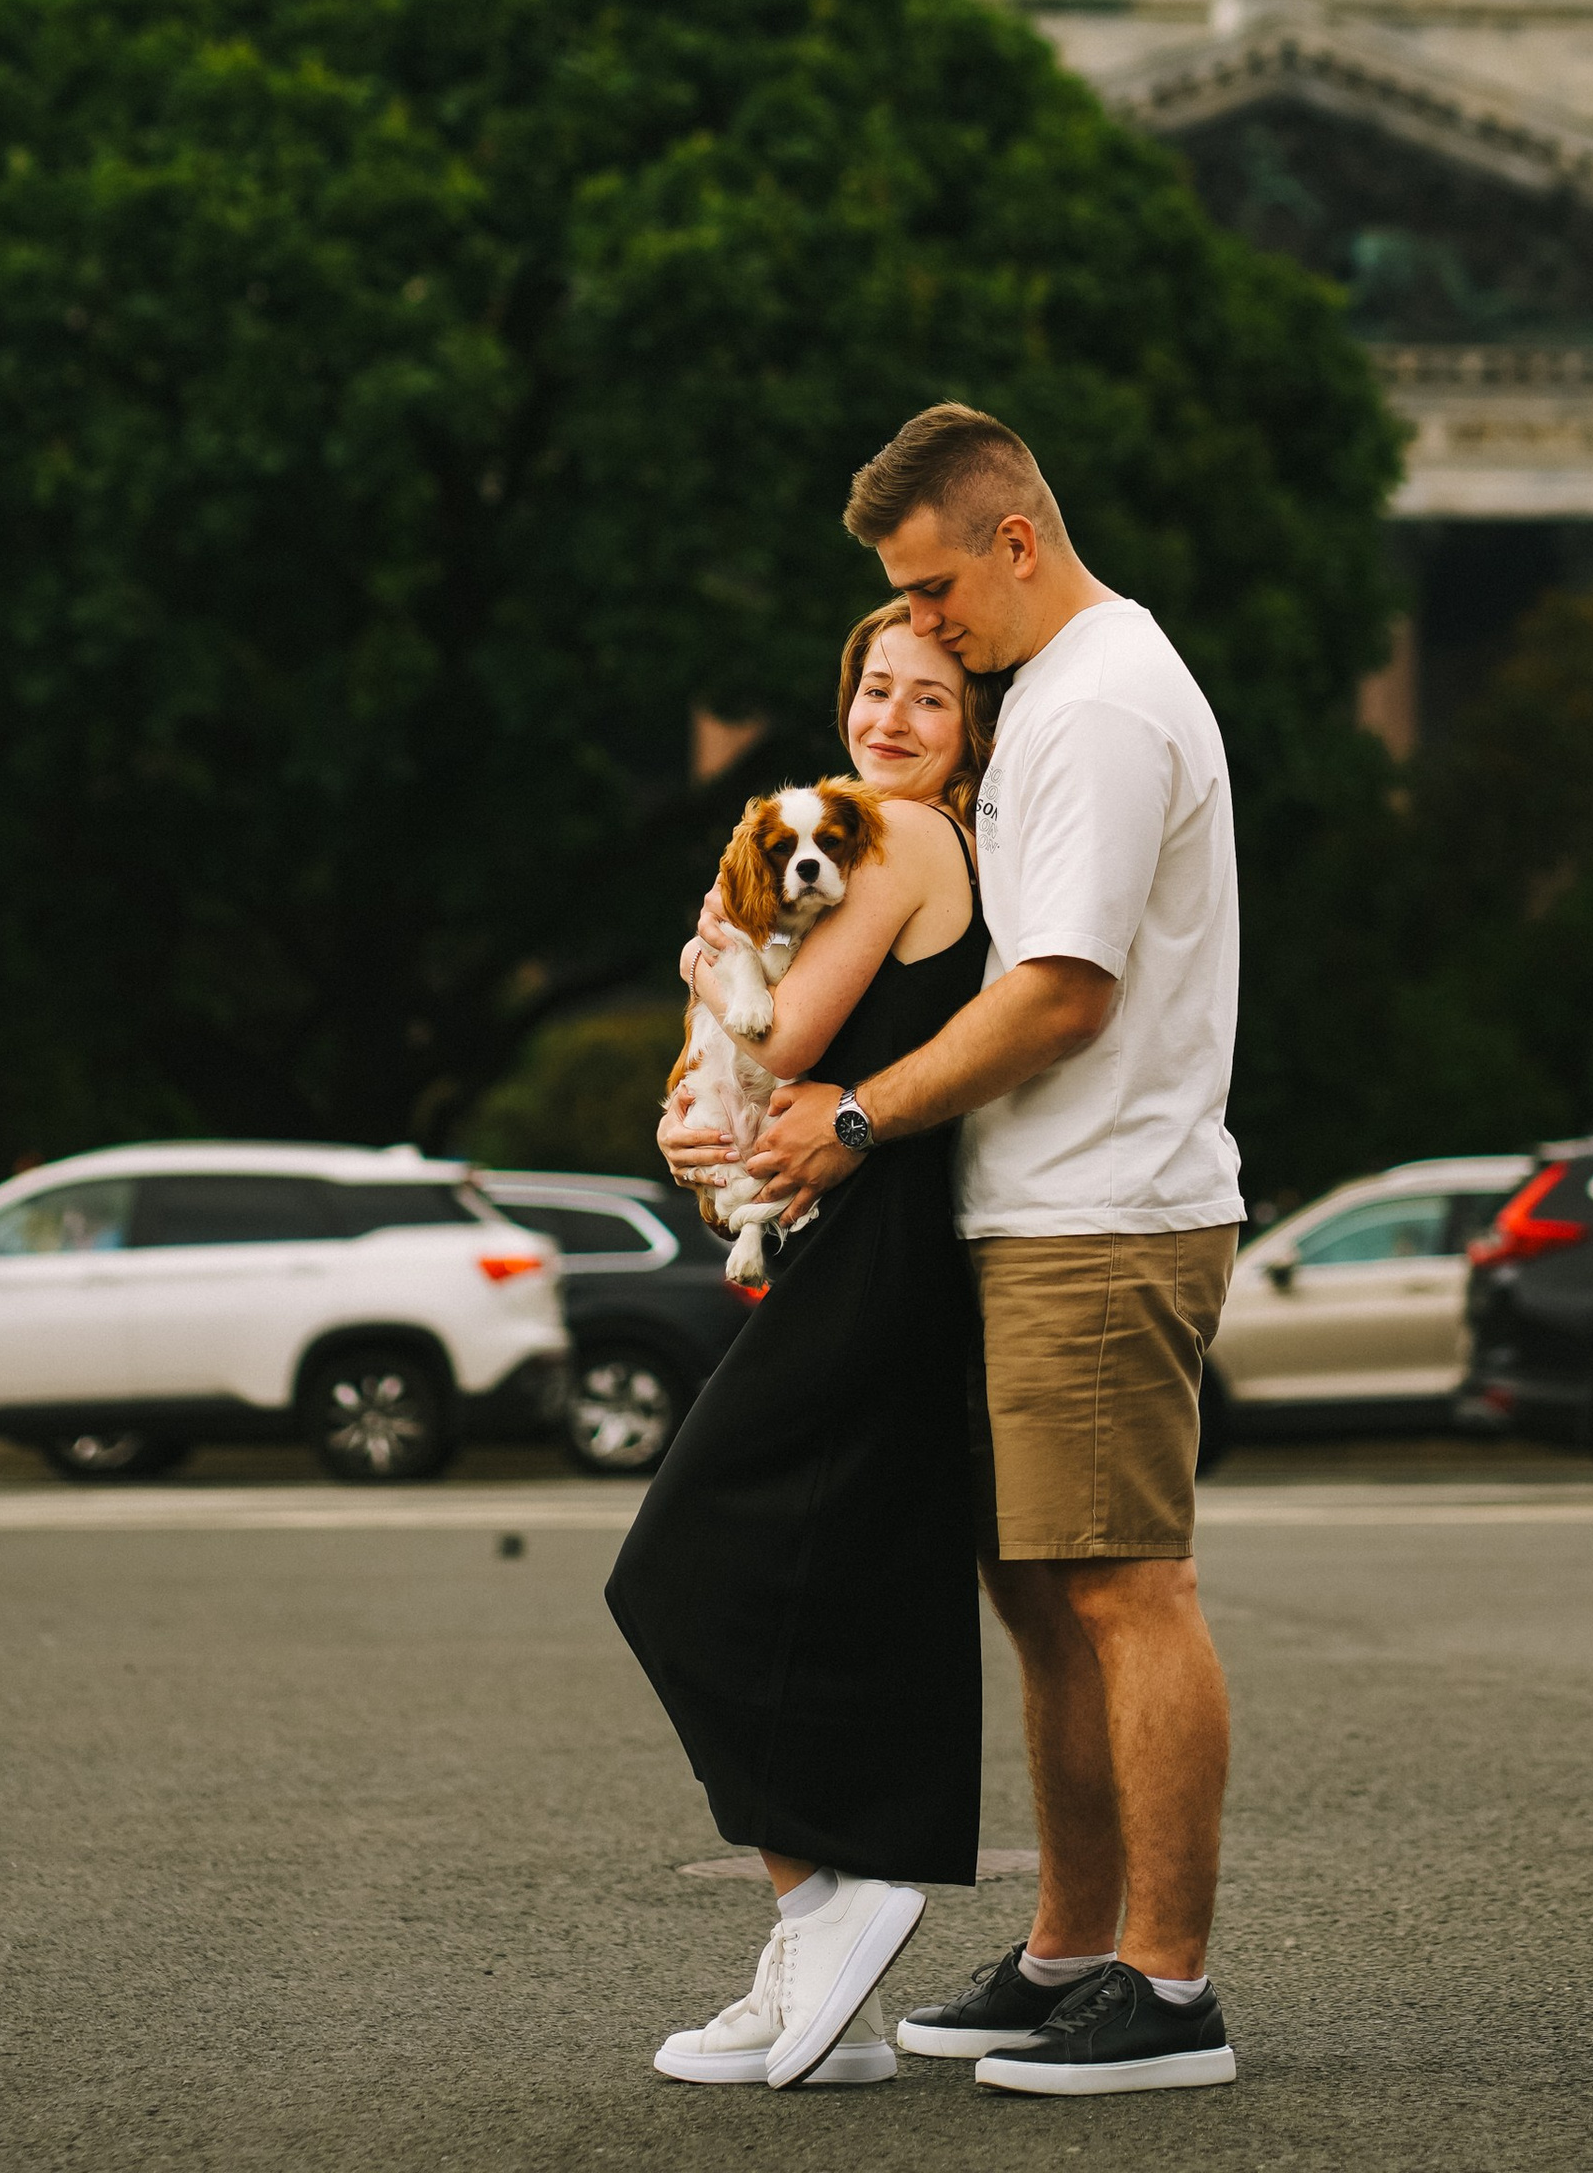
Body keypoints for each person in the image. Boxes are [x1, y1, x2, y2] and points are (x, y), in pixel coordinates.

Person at [749, 401, 1246, 2099]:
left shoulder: (1102, 702)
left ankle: (1168, 1995)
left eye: (938, 586)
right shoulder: (1056, 698)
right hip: (1038, 1212)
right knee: (1046, 1601)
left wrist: (859, 1118)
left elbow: (1061, 989)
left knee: (1126, 1590)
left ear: (1015, 539)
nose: (925, 625)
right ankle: (1070, 1956)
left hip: (1108, 1216)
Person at [612, 602, 998, 2094]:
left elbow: (768, 1041)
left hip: (881, 1244)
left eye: (930, 703)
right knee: (849, 1589)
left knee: (680, 1564)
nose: (890, 720)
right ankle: (833, 1999)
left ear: (970, 736)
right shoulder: (882, 839)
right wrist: (696, 1102)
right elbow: (739, 1087)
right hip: (867, 1238)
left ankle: (831, 1901)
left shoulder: (901, 840)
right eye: (873, 692)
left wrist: (713, 972)